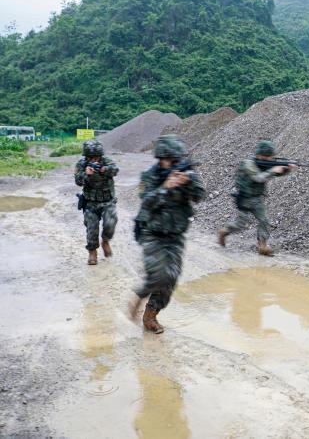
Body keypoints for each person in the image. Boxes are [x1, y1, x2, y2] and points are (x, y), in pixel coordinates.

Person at [128, 135, 205, 334]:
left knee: (171, 277)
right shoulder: (149, 176)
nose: (175, 163)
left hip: (175, 235)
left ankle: (151, 313)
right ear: (161, 157)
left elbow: (200, 195)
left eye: (177, 159)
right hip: (152, 233)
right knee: (158, 274)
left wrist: (189, 182)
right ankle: (140, 295)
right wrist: (165, 188)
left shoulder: (186, 172)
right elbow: (146, 202)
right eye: (171, 159)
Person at [217, 140, 296, 256]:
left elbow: (276, 173)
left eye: (271, 156)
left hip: (257, 198)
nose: (270, 159)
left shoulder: (264, 163)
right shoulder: (248, 163)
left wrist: (287, 169)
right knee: (241, 224)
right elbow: (258, 178)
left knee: (264, 220)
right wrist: (273, 170)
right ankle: (224, 232)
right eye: (267, 156)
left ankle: (262, 246)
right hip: (245, 198)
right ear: (259, 155)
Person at [74, 140, 119, 265]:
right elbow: (77, 181)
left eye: (97, 157)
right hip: (90, 203)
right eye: (91, 158)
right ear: (86, 157)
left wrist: (106, 169)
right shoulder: (81, 164)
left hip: (107, 201)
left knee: (111, 223)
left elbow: (116, 169)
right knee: (92, 229)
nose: (95, 160)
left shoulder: (106, 161)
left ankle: (105, 241)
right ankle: (92, 252)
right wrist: (85, 174)